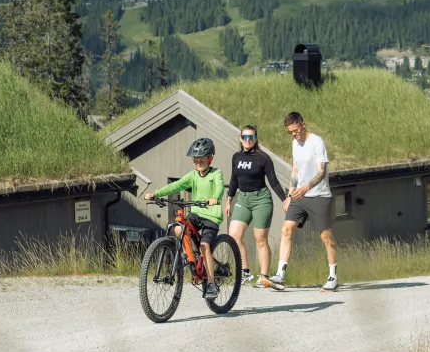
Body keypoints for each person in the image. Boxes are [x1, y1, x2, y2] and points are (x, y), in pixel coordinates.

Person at [144, 137, 224, 299]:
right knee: (178, 228)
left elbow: (220, 188)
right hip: (196, 214)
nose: (198, 164)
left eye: (201, 161)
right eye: (195, 161)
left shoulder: (216, 174)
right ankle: (188, 255)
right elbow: (176, 185)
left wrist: (215, 197)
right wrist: (156, 194)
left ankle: (210, 284)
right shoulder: (193, 175)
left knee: (204, 246)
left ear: (210, 158)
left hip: (211, 216)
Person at [270, 111, 338, 292]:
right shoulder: (295, 143)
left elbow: (321, 171)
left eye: (295, 130)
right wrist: (289, 196)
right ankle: (280, 274)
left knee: (325, 236)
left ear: (303, 124)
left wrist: (306, 188)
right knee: (286, 229)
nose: (294, 134)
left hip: (319, 195)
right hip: (299, 195)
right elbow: (295, 171)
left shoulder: (317, 142)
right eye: (290, 132)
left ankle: (333, 276)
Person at [224, 125, 287, 289]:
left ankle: (264, 277)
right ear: (240, 139)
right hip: (243, 199)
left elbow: (273, 181)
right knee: (234, 235)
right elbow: (234, 180)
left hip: (261, 199)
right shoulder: (236, 157)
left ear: (256, 139)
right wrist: (228, 200)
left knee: (260, 240)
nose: (247, 140)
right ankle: (245, 271)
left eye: (251, 137)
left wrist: (285, 199)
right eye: (244, 137)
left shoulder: (263, 158)